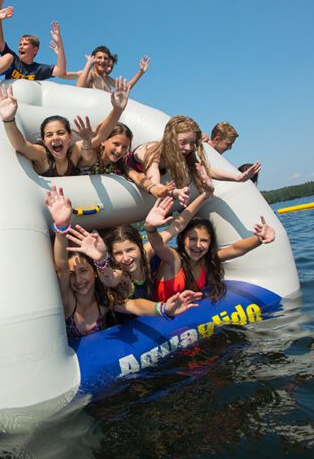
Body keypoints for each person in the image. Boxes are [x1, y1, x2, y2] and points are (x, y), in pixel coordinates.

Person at [44, 186, 202, 338]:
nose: (126, 258)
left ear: (139, 247)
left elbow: (174, 228)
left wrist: (204, 195)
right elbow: (109, 279)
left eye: (130, 250)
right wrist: (62, 229)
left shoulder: (143, 257)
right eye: (118, 253)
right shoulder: (116, 274)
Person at [145, 195, 276, 303]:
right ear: (182, 240)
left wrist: (260, 239)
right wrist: (151, 228)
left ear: (210, 243)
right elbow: (158, 245)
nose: (197, 245)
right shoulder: (173, 260)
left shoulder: (205, 261)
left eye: (204, 240)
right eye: (192, 239)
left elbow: (236, 249)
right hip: (164, 320)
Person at [0, 77, 130, 177]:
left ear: (69, 136)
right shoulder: (43, 157)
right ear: (43, 141)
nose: (55, 138)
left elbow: (100, 137)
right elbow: (21, 145)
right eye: (49, 135)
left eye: (60, 133)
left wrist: (117, 110)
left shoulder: (74, 152)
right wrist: (9, 119)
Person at [126, 115, 261, 199]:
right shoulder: (153, 152)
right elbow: (155, 184)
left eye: (192, 143)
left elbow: (206, 170)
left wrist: (238, 177)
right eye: (183, 142)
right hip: (126, 172)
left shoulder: (183, 153)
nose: (189, 148)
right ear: (170, 138)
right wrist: (172, 192)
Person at [65, 46, 150, 92]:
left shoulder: (107, 79)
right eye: (99, 58)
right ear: (93, 58)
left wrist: (141, 72)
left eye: (105, 58)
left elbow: (126, 88)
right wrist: (89, 64)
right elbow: (78, 89)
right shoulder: (90, 74)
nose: (102, 61)